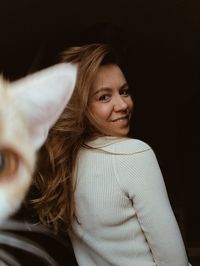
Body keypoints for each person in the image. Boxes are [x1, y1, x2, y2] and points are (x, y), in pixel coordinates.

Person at [32, 43, 191, 265]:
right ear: (81, 107)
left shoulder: (66, 164)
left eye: (124, 91)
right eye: (104, 97)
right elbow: (175, 262)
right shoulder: (134, 154)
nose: (123, 104)